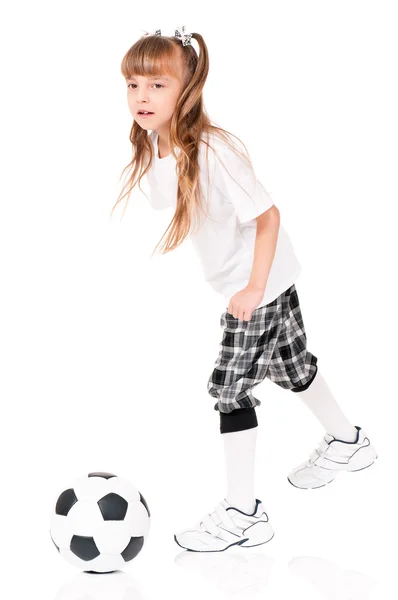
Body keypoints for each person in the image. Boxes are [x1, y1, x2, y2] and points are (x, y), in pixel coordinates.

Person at [112, 26, 378, 552]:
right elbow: (163, 202)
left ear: (188, 88)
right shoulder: (161, 143)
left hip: (256, 283)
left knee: (230, 391)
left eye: (157, 86)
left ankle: (243, 513)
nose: (142, 96)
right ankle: (349, 441)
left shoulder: (213, 149)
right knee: (293, 368)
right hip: (266, 280)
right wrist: (153, 140)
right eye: (132, 84)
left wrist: (254, 288)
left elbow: (269, 215)